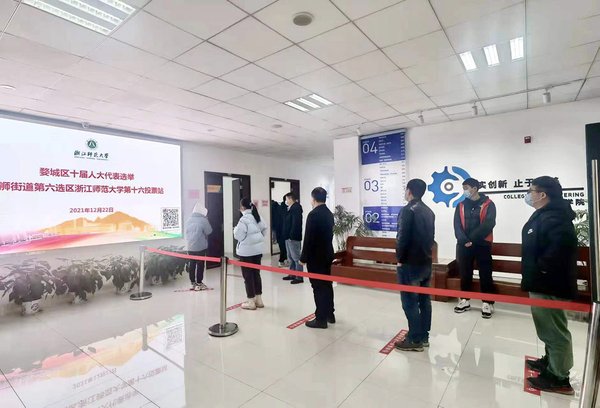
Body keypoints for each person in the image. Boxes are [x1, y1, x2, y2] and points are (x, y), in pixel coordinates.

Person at [522, 177, 577, 395]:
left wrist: (539, 270)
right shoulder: (547, 214)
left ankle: (559, 377)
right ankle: (550, 362)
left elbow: (558, 252)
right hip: (541, 282)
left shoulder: (556, 218)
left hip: (549, 284)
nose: (528, 195)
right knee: (547, 327)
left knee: (554, 331)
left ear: (542, 194)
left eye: (531, 191)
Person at [394, 179, 436, 351]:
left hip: (410, 264)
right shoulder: (429, 211)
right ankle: (424, 336)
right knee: (424, 301)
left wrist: (399, 258)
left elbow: (402, 238)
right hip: (426, 262)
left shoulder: (407, 210)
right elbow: (431, 239)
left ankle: (414, 340)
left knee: (409, 302)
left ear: (409, 191)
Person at [453, 177, 497, 318]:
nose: (464, 191)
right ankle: (464, 300)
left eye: (466, 188)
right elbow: (457, 225)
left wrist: (471, 239)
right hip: (464, 245)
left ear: (474, 189)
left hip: (482, 244)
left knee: (485, 273)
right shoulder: (460, 205)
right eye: (463, 188)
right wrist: (464, 240)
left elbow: (489, 223)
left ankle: (487, 302)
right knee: (465, 272)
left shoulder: (488, 204)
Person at [299, 187, 335, 329]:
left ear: (313, 199)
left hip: (315, 257)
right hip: (327, 254)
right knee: (327, 284)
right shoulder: (329, 214)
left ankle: (321, 319)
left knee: (318, 287)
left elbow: (309, 238)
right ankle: (330, 314)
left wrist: (303, 258)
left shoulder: (313, 215)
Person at [234, 198, 268, 310]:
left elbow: (238, 236)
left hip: (246, 253)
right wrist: (257, 239)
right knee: (256, 274)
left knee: (248, 276)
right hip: (258, 251)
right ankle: (259, 300)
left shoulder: (243, 220)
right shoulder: (258, 217)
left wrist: (235, 230)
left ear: (242, 207)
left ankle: (251, 301)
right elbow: (264, 230)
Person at [185, 203, 212, 291]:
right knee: (200, 265)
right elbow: (209, 231)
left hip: (190, 246)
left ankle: (192, 283)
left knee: (192, 264)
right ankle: (199, 283)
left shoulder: (189, 220)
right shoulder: (204, 220)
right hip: (200, 247)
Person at [282, 192, 304, 284]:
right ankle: (292, 274)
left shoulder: (296, 208)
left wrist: (292, 236)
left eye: (287, 199)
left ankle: (299, 277)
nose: (286, 201)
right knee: (290, 257)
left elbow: (296, 224)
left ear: (291, 199)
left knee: (296, 257)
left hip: (293, 237)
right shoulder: (290, 208)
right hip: (288, 236)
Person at [277, 196, 289, 267]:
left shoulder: (287, 209)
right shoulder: (282, 209)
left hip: (283, 232)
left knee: (285, 248)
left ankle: (285, 260)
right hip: (281, 231)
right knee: (283, 248)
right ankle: (281, 261)